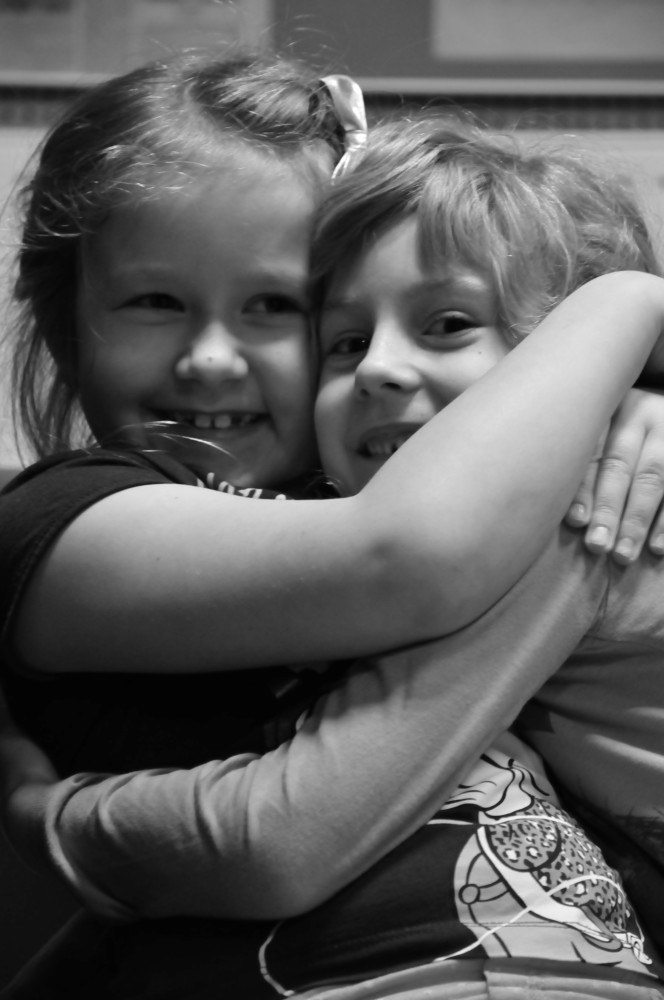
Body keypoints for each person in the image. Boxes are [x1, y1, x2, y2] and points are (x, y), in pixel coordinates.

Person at [4, 101, 664, 997]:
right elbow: (400, 567)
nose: (212, 358)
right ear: (64, 326)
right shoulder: (62, 513)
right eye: (347, 340)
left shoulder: (589, 500)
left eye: (275, 306)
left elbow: (285, 833)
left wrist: (51, 820)